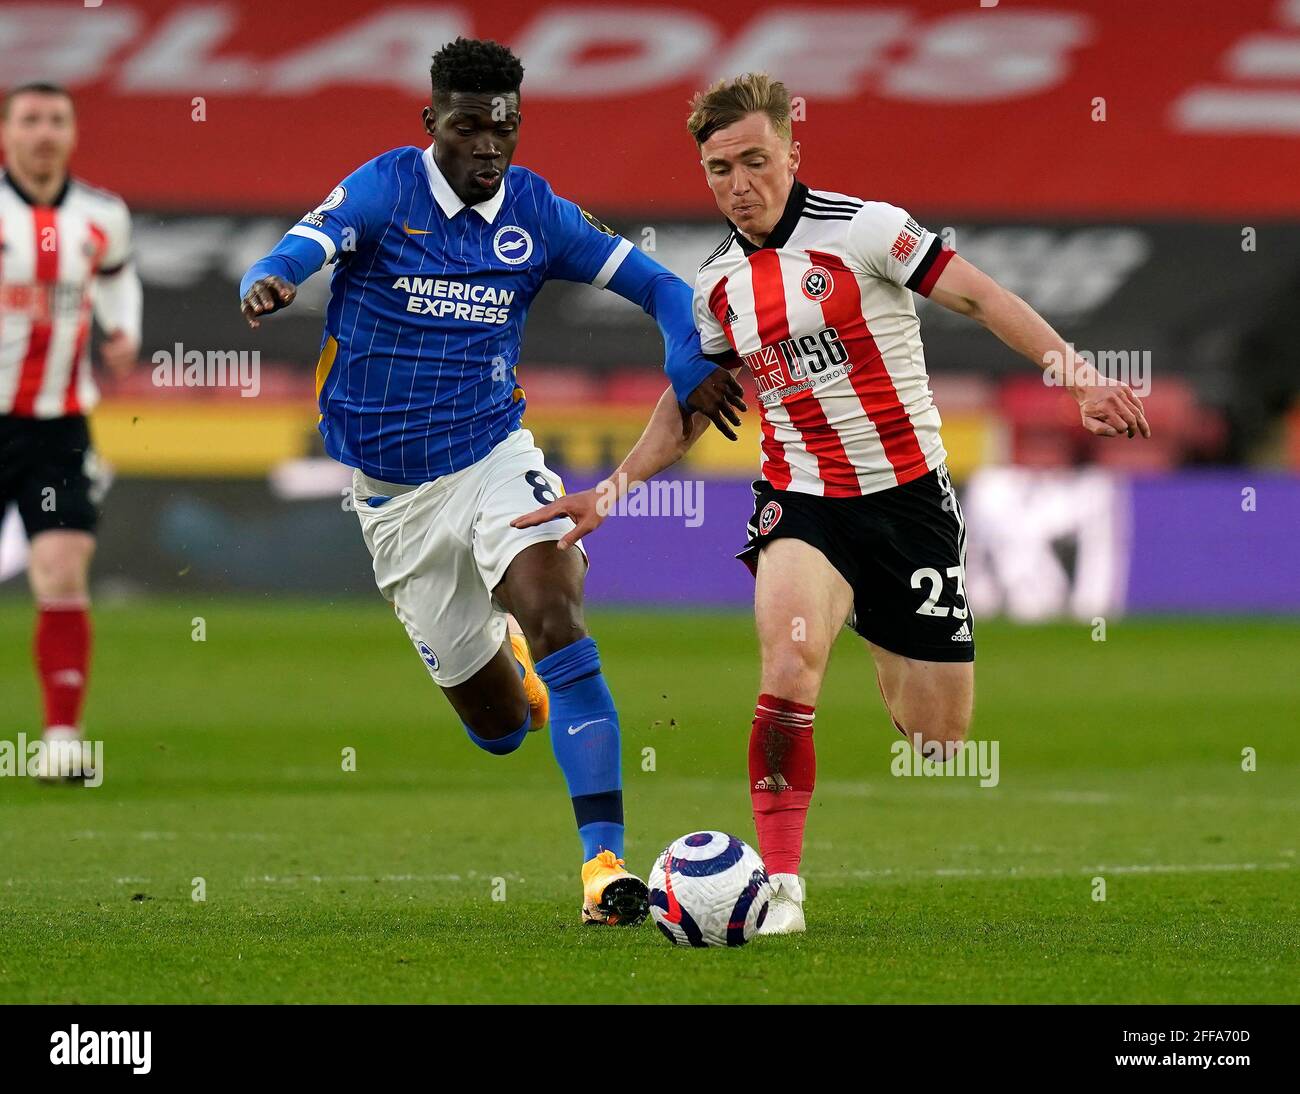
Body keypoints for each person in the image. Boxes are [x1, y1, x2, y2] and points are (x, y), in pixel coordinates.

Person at [513, 73, 1149, 934]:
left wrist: (1079, 378)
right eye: (718, 169)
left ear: (791, 152)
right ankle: (782, 891)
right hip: (802, 499)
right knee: (785, 672)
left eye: (754, 161)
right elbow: (693, 404)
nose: (739, 185)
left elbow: (981, 297)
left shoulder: (868, 229)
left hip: (910, 503)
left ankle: (875, 625)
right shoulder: (714, 290)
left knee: (937, 738)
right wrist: (614, 490)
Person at [238, 38, 734, 925]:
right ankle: (514, 676)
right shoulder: (387, 189)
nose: (488, 146)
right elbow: (303, 243)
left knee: (555, 608)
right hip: (392, 500)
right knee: (502, 728)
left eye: (504, 128)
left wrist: (688, 357)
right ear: (433, 123)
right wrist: (272, 278)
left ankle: (603, 868)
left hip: (494, 456)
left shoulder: (537, 215)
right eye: (468, 126)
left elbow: (662, 286)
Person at [0, 82, 141, 782]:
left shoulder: (102, 215)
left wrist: (124, 330)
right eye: (30, 120)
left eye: (56, 120)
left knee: (60, 569)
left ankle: (60, 740)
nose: (44, 133)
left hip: (57, 426)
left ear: (74, 132)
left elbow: (116, 279)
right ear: (7, 132)